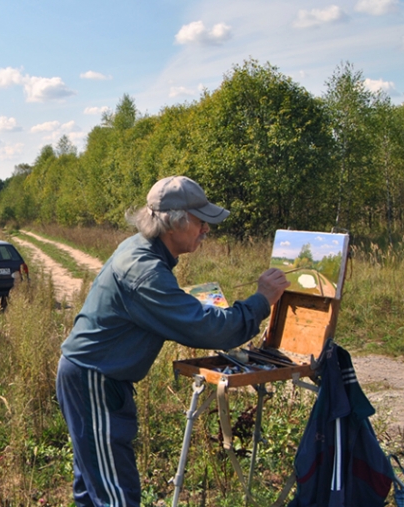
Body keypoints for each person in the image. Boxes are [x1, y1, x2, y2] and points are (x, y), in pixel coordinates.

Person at [56, 175, 290, 507]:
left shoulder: (141, 249)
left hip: (94, 376)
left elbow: (163, 308)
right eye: (201, 221)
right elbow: (211, 331)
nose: (206, 229)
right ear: (174, 223)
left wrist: (192, 303)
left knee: (94, 487)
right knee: (115, 496)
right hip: (94, 380)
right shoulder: (145, 271)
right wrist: (261, 300)